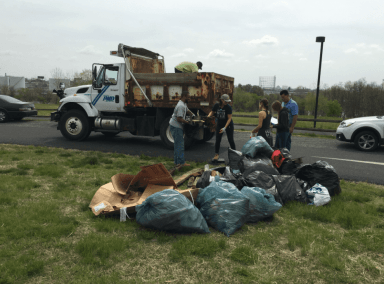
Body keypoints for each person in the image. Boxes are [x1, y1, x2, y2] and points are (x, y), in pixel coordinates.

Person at [169, 90, 195, 167]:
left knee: (178, 144)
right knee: (180, 145)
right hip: (176, 126)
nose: (189, 99)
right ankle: (182, 163)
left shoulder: (183, 104)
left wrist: (193, 115)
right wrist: (188, 122)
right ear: (184, 97)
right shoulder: (180, 106)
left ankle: (177, 162)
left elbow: (187, 110)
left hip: (175, 126)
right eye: (188, 97)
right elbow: (179, 119)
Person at [208, 94, 236, 161]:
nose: (227, 102)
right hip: (220, 124)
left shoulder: (228, 107)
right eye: (225, 101)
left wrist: (225, 128)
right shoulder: (216, 105)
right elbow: (212, 112)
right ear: (221, 100)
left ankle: (235, 154)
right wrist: (207, 118)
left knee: (230, 139)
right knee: (218, 140)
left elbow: (229, 119)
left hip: (228, 125)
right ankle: (216, 154)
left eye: (227, 101)